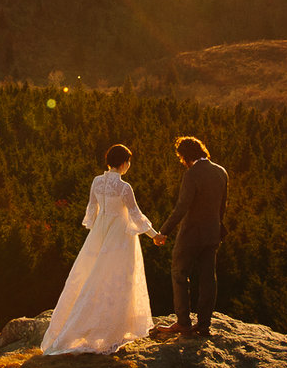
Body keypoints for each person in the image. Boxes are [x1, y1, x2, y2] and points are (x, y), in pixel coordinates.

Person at [41, 144, 160, 355]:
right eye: (128, 162)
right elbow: (136, 215)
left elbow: (92, 212)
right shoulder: (124, 188)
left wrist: (98, 232)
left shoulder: (96, 182)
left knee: (92, 276)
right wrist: (154, 235)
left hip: (99, 235)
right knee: (119, 279)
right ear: (123, 164)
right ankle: (115, 328)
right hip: (120, 237)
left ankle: (87, 326)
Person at [151, 135, 228, 344]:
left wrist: (164, 231)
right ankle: (204, 326)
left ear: (184, 156)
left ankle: (183, 324)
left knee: (179, 273)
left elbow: (182, 207)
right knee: (208, 279)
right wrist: (216, 227)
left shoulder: (191, 175)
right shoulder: (221, 171)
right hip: (213, 234)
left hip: (191, 235)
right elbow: (222, 206)